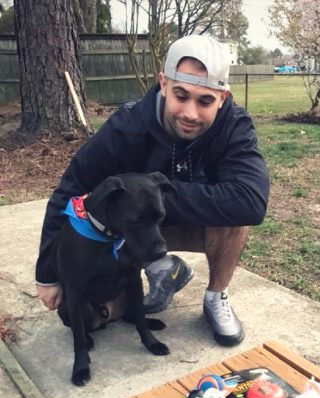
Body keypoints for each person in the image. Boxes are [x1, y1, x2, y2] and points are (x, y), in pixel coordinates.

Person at [35, 34, 269, 346]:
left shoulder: (234, 127)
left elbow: (251, 201)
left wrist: (151, 195)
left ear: (222, 98)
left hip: (189, 222)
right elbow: (70, 192)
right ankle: (163, 269)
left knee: (234, 217)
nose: (190, 113)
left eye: (205, 101)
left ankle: (215, 297)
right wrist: (47, 273)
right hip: (131, 230)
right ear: (163, 84)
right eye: (181, 95)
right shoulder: (125, 127)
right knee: (93, 316)